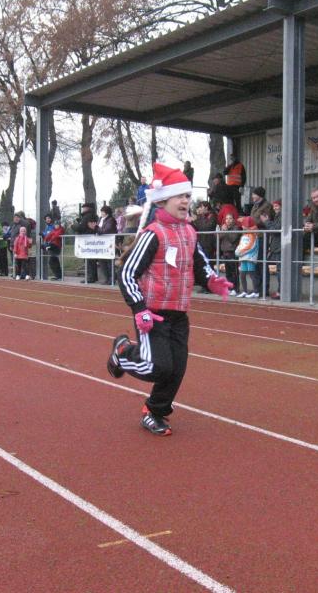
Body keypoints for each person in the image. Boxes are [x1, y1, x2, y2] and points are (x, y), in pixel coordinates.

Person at [106, 163, 232, 436]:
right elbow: (127, 273)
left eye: (188, 195)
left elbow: (200, 264)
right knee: (156, 367)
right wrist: (140, 309)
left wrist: (213, 280)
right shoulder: (153, 234)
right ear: (163, 200)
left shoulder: (190, 232)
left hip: (179, 314)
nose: (186, 201)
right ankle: (123, 352)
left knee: (176, 369)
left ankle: (154, 411)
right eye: (180, 196)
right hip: (153, 315)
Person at [259, 201, 282, 299]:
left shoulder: (282, 216)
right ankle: (280, 291)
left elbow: (276, 229)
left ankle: (281, 291)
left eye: (277, 206)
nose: (275, 208)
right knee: (279, 270)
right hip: (277, 246)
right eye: (274, 206)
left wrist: (266, 221)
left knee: (281, 270)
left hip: (280, 246)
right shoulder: (278, 216)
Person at [235, 216, 260, 298]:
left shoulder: (253, 234)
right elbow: (240, 245)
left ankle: (256, 292)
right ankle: (245, 291)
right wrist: (237, 251)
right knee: (242, 275)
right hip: (243, 257)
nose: (242, 226)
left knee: (252, 274)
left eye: (244, 225)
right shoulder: (244, 235)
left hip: (250, 257)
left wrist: (241, 252)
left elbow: (252, 246)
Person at [218, 212, 241, 296]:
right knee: (228, 272)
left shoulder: (236, 228)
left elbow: (233, 238)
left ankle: (236, 288)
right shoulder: (224, 227)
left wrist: (226, 230)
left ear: (233, 220)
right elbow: (218, 237)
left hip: (232, 252)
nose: (228, 220)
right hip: (225, 252)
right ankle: (230, 287)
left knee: (234, 272)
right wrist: (222, 230)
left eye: (230, 218)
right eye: (226, 219)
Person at [98, 205, 118, 284]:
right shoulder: (100, 219)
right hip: (101, 243)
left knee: (109, 261)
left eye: (102, 212)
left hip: (109, 242)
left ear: (106, 212)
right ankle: (107, 278)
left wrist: (97, 230)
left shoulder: (111, 219)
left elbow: (108, 229)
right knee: (102, 261)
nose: (101, 213)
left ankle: (112, 278)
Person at [41, 215, 65, 280]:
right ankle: (58, 276)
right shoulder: (53, 229)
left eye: (57, 225)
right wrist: (46, 239)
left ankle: (59, 276)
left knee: (53, 261)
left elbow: (56, 235)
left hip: (56, 246)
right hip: (53, 245)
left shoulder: (60, 229)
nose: (56, 226)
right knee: (53, 261)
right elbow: (49, 235)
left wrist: (50, 239)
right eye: (55, 225)